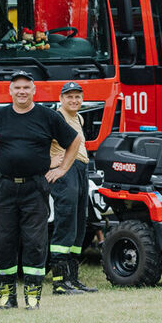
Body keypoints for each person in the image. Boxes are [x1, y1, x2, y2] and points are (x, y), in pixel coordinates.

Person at [0, 70, 83, 310]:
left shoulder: (47, 116)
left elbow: (74, 141)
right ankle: (7, 297)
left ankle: (33, 296)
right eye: (17, 88)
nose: (22, 91)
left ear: (34, 91)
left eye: (26, 87)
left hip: (35, 187)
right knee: (3, 241)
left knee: (35, 241)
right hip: (5, 186)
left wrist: (62, 169)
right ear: (10, 91)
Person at [48, 81, 97, 294]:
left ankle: (73, 279)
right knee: (65, 223)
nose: (74, 100)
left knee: (79, 224)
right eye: (69, 96)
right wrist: (48, 163)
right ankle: (59, 282)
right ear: (61, 99)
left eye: (77, 96)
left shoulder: (79, 117)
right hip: (66, 171)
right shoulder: (55, 118)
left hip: (81, 169)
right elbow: (38, 142)